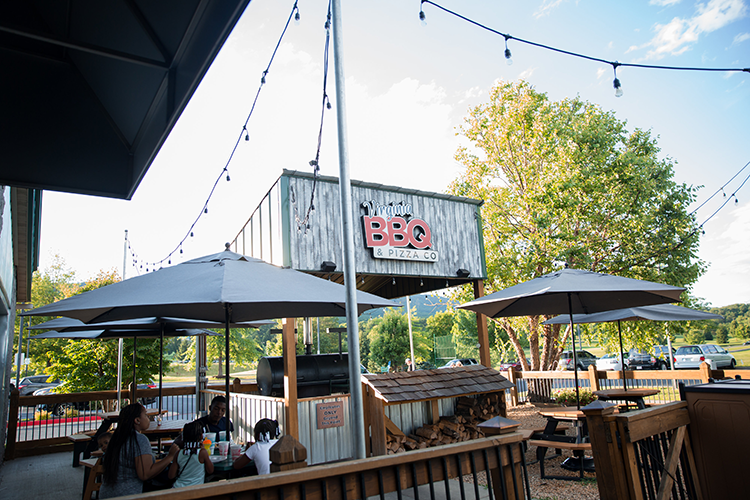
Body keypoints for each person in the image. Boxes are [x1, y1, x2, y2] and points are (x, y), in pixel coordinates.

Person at [100, 403, 179, 498]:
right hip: (129, 493)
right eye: (145, 415)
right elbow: (145, 474)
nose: (148, 418)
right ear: (137, 420)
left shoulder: (115, 439)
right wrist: (170, 456)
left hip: (107, 493)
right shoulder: (139, 439)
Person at [168, 421, 214, 488]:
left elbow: (171, 476)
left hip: (178, 489)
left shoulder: (178, 453)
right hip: (195, 490)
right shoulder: (202, 453)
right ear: (201, 436)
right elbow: (210, 470)